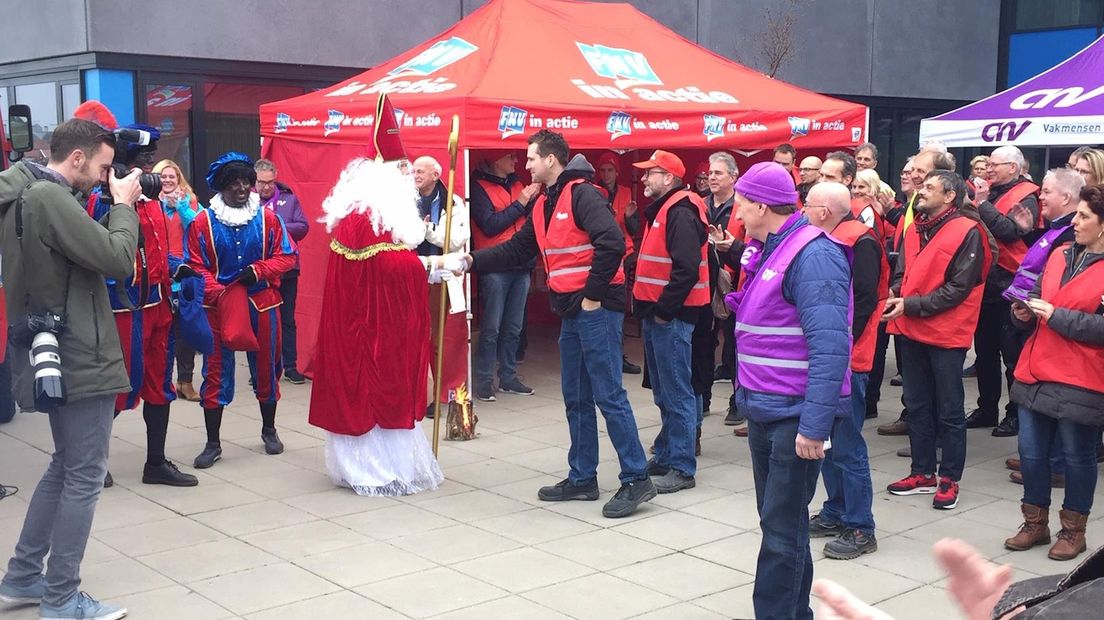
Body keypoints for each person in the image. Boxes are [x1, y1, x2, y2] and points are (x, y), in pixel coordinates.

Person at [452, 129, 656, 518]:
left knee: (608, 394)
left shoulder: (582, 194)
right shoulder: (546, 202)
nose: (526, 164)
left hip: (595, 309)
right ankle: (582, 476)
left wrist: (594, 296)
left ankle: (636, 478)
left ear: (550, 160)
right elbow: (518, 247)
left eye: (531, 158)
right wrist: (471, 261)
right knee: (576, 397)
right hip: (573, 311)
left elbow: (612, 242)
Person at [0, 118, 141, 620]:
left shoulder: (27, 193)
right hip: (80, 353)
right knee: (84, 473)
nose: (107, 176)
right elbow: (117, 257)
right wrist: (124, 206)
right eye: (103, 167)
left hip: (54, 349)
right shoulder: (51, 198)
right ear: (76, 158)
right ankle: (60, 597)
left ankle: (21, 578)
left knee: (65, 465)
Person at [725, 162, 852, 619]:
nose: (735, 211)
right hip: (767, 406)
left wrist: (814, 426)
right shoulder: (773, 246)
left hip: (794, 415)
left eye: (741, 202)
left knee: (781, 533)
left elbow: (832, 346)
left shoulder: (813, 254)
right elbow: (780, 312)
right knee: (782, 524)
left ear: (761, 205)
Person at [309, 97, 445, 496]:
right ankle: (371, 468)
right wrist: (432, 268)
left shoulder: (378, 214)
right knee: (372, 396)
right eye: (403, 171)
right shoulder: (363, 217)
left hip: (380, 328)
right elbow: (389, 268)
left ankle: (386, 465)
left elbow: (393, 260)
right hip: (365, 333)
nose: (409, 179)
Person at [87, 125, 199, 489]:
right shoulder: (101, 201)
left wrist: (174, 269)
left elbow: (154, 252)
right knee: (117, 389)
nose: (150, 165)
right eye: (143, 158)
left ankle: (155, 463)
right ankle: (92, 462)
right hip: (121, 309)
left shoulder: (149, 200)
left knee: (158, 386)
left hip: (156, 306)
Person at [1003, 183, 1104, 562]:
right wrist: (1024, 314)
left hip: (1083, 376)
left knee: (1077, 458)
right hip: (1037, 368)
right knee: (1030, 455)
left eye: (1083, 217)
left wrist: (1057, 316)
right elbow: (1039, 304)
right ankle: (1035, 522)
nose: (1073, 222)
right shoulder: (1060, 254)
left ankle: (1073, 530)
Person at [883, 170, 991, 510]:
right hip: (912, 327)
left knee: (949, 408)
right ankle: (922, 472)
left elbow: (958, 290)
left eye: (929, 186)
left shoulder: (968, 231)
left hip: (946, 333)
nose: (921, 190)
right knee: (916, 404)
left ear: (949, 196)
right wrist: (896, 291)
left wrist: (909, 304)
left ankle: (949, 478)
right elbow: (903, 270)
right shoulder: (915, 226)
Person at [186, 152, 297, 468]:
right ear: (221, 186)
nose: (241, 188)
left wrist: (258, 271)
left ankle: (270, 429)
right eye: (233, 183)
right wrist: (219, 291)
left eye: (245, 182)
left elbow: (287, 256)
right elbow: (195, 263)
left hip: (262, 304)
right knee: (216, 371)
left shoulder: (268, 219)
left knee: (266, 368)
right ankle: (212, 443)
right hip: (218, 307)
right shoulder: (202, 222)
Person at [805, 182, 887, 560]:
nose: (802, 210)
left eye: (808, 204)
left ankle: (860, 526)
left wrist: (840, 343)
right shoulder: (832, 235)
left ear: (825, 211)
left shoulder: (861, 240)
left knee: (848, 444)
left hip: (851, 356)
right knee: (829, 441)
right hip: (837, 354)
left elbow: (865, 298)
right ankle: (837, 511)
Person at [631, 150, 708, 494]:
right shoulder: (670, 208)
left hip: (671, 316)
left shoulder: (679, 210)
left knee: (676, 391)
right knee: (666, 390)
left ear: (670, 178)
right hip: (662, 315)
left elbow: (686, 269)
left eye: (652, 173)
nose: (645, 178)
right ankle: (666, 454)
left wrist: (663, 310)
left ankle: (681, 466)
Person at [1003, 168, 1085, 488]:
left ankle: (1054, 465)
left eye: (1047, 191)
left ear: (1066, 198)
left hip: (1055, 328)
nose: (1040, 196)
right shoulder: (1055, 230)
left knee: (1055, 403)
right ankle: (1041, 459)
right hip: (1034, 319)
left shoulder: (1069, 236)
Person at [968, 146, 1041, 436]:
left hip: (1010, 285)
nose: (988, 169)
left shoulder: (1026, 195)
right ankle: (986, 409)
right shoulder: (994, 192)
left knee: (1011, 356)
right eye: (987, 164)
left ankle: (1015, 414)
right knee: (984, 353)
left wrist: (982, 204)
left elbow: (1012, 231)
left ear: (1013, 167)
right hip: (986, 282)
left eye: (995, 165)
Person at [469, 150, 540, 402]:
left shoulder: (518, 183)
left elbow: (531, 222)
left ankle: (508, 377)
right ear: (495, 159)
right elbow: (489, 225)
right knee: (491, 328)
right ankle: (485, 380)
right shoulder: (477, 186)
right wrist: (520, 203)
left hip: (520, 264)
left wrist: (529, 203)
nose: (516, 160)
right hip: (495, 264)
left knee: (514, 327)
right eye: (509, 156)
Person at [412, 155, 475, 407]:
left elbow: (456, 239)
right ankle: (416, 393)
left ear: (435, 175)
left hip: (439, 278)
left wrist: (427, 231)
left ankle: (438, 395)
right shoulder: (407, 199)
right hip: (412, 274)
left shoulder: (453, 202)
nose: (415, 175)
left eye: (420, 172)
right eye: (414, 171)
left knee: (438, 339)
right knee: (414, 337)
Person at [254, 158, 310, 384]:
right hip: (259, 268)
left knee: (287, 319)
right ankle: (261, 368)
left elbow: (303, 226)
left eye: (270, 182)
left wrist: (277, 225)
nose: (266, 187)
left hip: (287, 268)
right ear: (255, 181)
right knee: (260, 320)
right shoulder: (248, 200)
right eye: (261, 183)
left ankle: (290, 366)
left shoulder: (288, 198)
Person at [153, 159, 203, 402]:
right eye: (163, 176)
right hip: (159, 272)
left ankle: (185, 381)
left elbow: (199, 228)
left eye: (172, 176)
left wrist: (181, 206)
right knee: (164, 331)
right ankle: (163, 382)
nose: (168, 180)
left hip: (184, 274)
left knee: (186, 332)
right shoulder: (150, 203)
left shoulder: (190, 201)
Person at [594, 151, 643, 375]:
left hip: (624, 256)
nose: (606, 174)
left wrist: (632, 217)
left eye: (610, 170)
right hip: (601, 256)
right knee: (599, 308)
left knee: (618, 310)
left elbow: (634, 230)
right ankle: (602, 354)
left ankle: (618, 355)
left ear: (617, 172)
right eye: (603, 170)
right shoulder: (593, 193)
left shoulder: (625, 192)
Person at [702, 152, 741, 424]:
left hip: (735, 285)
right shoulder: (700, 204)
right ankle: (702, 398)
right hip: (704, 283)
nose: (712, 177)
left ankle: (737, 403)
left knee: (736, 345)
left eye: (718, 173)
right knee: (703, 343)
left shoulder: (743, 206)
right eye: (710, 173)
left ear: (733, 177)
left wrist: (731, 249)